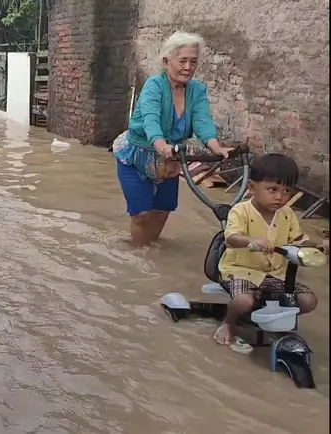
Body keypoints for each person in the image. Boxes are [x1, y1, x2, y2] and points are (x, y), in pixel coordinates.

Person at [112, 31, 235, 247]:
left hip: (171, 158)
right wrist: (161, 146)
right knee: (141, 214)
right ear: (167, 61)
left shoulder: (196, 90)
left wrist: (216, 148)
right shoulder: (154, 85)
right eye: (183, 61)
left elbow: (202, 121)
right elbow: (151, 121)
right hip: (136, 157)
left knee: (162, 212)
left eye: (193, 61)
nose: (188, 67)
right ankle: (140, 255)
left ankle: (150, 251)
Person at [215, 153, 321, 353]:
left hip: (274, 274)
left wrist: (319, 245)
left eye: (286, 191)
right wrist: (251, 240)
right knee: (243, 301)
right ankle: (229, 322)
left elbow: (298, 240)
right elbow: (231, 238)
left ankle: (277, 323)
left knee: (309, 300)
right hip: (240, 269)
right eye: (272, 190)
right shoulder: (240, 211)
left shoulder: (287, 215)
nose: (280, 197)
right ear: (253, 188)